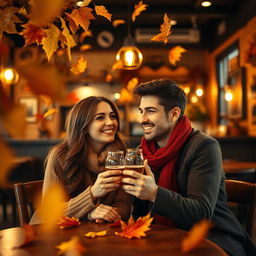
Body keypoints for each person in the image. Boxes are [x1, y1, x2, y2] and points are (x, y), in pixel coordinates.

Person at [121, 79, 255, 256]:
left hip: (214, 240)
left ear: (174, 114)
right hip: (161, 239)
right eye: (141, 111)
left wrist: (154, 193)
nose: (142, 119)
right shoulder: (141, 152)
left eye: (150, 111)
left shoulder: (204, 146)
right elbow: (139, 213)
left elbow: (201, 213)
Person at [30, 96, 131, 224]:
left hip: (105, 236)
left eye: (112, 116)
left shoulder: (120, 154)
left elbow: (124, 206)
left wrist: (104, 215)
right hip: (62, 237)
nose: (111, 122)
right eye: (100, 117)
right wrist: (92, 195)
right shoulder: (60, 156)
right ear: (83, 126)